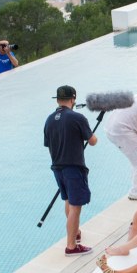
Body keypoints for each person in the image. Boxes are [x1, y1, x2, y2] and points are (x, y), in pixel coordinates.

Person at [43, 85, 98, 256]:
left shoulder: (49, 120)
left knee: (68, 200)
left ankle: (75, 232)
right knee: (75, 206)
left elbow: (48, 144)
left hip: (57, 168)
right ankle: (71, 246)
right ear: (73, 99)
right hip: (73, 168)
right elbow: (93, 141)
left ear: (58, 100)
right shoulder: (77, 117)